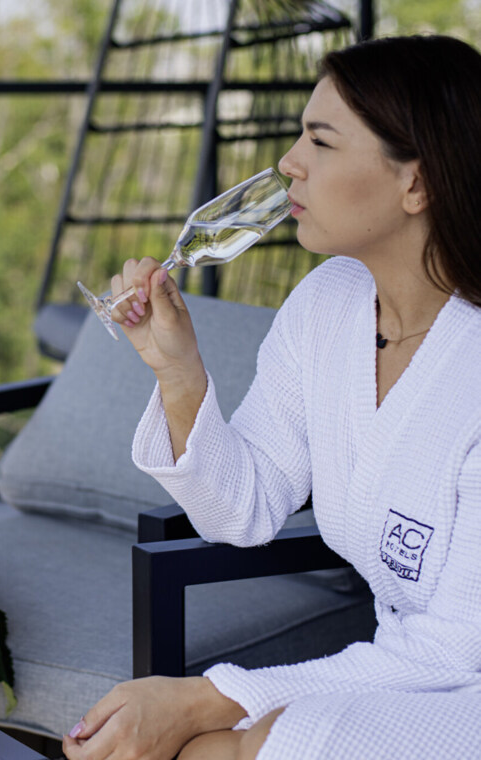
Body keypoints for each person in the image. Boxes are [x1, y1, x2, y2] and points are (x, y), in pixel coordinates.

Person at [62, 34, 481, 760]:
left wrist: (198, 698)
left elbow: (452, 651)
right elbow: (244, 507)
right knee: (236, 743)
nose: (289, 162)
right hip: (409, 666)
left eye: (319, 141)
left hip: (456, 675)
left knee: (267, 741)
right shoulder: (330, 302)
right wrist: (180, 374)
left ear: (417, 183)